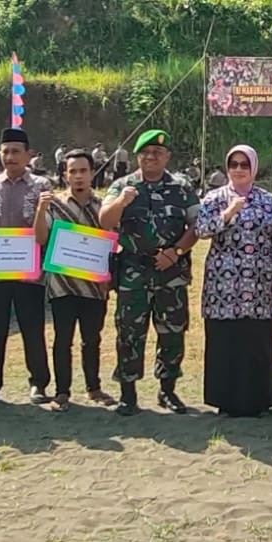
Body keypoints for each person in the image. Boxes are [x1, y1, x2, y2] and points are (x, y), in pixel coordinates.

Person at [99, 129, 200, 415]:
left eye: (157, 152)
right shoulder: (122, 185)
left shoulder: (182, 188)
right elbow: (105, 221)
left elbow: (197, 227)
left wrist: (176, 252)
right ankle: (128, 394)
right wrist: (122, 202)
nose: (151, 157)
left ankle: (167, 391)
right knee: (129, 333)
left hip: (171, 271)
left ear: (167, 156)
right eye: (145, 152)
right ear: (137, 156)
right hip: (134, 271)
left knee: (172, 332)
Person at [195, 145, 272, 418]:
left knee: (257, 340)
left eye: (244, 165)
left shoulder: (268, 200)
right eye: (233, 164)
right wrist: (227, 214)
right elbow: (201, 230)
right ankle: (226, 400)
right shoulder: (215, 198)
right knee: (227, 340)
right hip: (224, 285)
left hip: (260, 283)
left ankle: (261, 400)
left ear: (254, 168)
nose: (238, 169)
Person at [0, 128, 54, 405]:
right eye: (5, 151)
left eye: (16, 151)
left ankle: (38, 384)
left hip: (29, 273)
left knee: (32, 328)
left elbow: (48, 228)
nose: (10, 157)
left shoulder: (42, 185)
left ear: (28, 154)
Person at [35, 150, 113, 410]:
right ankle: (62, 392)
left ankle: (94, 387)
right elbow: (40, 239)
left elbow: (114, 241)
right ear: (64, 174)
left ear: (93, 173)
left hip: (94, 286)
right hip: (62, 285)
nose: (78, 176)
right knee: (62, 340)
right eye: (73, 171)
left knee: (92, 339)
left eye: (83, 171)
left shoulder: (104, 206)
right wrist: (40, 210)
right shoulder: (54, 204)